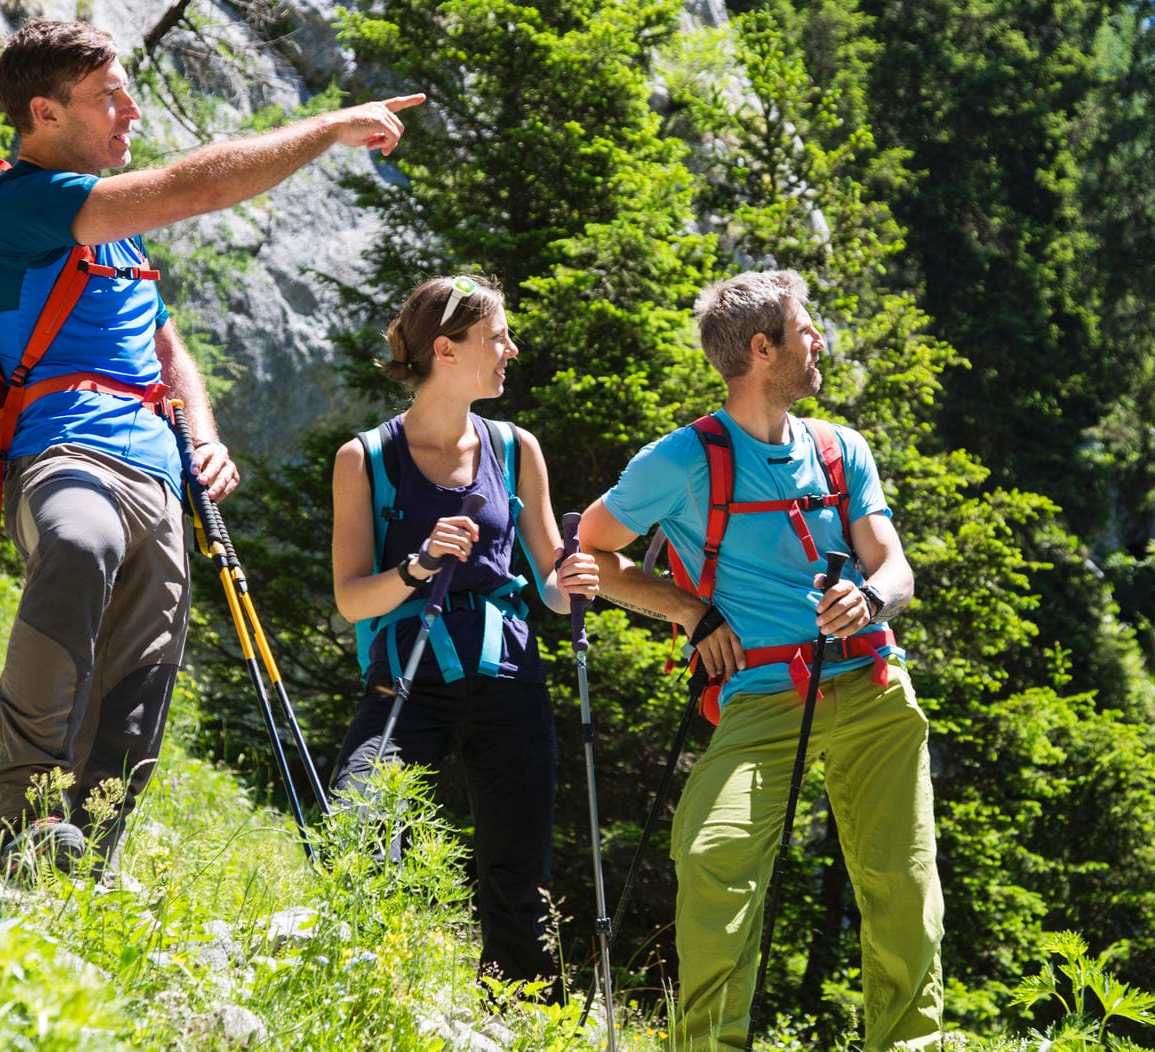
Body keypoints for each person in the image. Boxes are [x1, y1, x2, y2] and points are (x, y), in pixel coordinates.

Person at [0, 18, 424, 882]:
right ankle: (28, 814)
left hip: (159, 469)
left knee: (144, 680)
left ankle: (84, 865)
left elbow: (165, 344)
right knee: (79, 541)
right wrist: (329, 129)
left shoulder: (114, 236)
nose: (130, 110)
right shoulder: (26, 203)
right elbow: (195, 187)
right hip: (65, 447)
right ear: (43, 111)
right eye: (108, 96)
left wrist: (206, 435)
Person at [578, 270, 944, 1049]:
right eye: (804, 329)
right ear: (760, 347)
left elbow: (896, 568)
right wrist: (686, 608)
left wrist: (871, 599)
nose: (819, 341)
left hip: (874, 688)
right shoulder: (679, 461)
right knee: (713, 853)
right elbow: (587, 555)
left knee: (903, 888)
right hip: (762, 698)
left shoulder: (842, 449)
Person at [328, 274, 600, 1002]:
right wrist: (416, 567)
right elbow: (354, 599)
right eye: (497, 337)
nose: (511, 349)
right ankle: (356, 991)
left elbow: (546, 578)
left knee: (518, 867)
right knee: (362, 825)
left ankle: (523, 1017)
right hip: (407, 674)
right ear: (446, 350)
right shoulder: (366, 459)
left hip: (508, 674)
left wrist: (570, 580)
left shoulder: (516, 449)